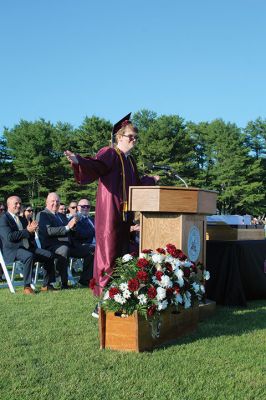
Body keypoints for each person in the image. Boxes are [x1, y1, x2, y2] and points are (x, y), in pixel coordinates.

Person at [65, 114, 159, 316]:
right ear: (119, 137)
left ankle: (120, 300)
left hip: (126, 216)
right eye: (130, 136)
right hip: (110, 215)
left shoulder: (130, 161)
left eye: (135, 137)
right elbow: (96, 165)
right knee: (108, 257)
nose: (134, 140)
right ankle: (101, 304)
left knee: (126, 255)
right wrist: (78, 160)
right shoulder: (110, 153)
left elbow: (136, 186)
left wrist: (151, 179)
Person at [37, 192, 94, 289]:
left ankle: (85, 280)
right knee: (64, 249)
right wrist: (68, 227)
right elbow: (49, 231)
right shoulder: (42, 214)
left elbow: (70, 230)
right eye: (52, 201)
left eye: (57, 201)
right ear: (46, 202)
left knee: (92, 250)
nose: (55, 203)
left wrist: (74, 225)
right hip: (52, 246)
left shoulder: (61, 215)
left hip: (70, 244)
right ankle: (64, 282)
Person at [0, 196, 55, 293]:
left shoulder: (22, 219)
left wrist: (33, 231)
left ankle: (47, 285)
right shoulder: (3, 219)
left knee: (49, 255)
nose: (18, 205)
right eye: (16, 203)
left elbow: (29, 237)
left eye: (20, 203)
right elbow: (10, 237)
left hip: (27, 247)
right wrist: (27, 231)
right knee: (28, 256)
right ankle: (27, 286)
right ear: (8, 205)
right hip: (12, 250)